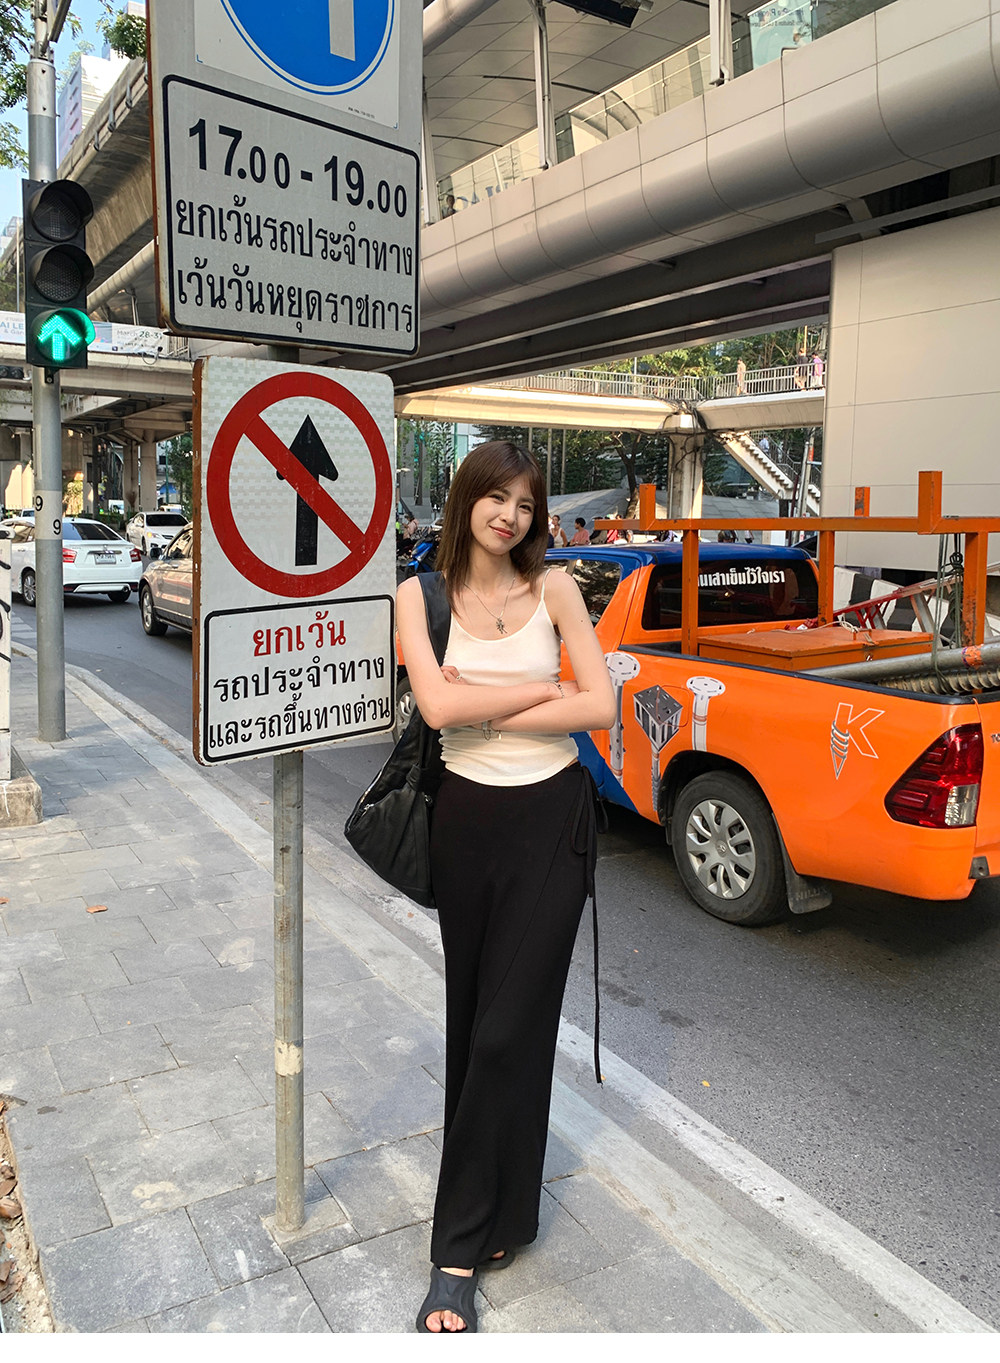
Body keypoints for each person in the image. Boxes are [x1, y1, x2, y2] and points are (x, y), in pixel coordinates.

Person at [396, 442, 615, 1334]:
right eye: (497, 497)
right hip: (468, 826)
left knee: (505, 1029)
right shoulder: (420, 596)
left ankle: (453, 1250)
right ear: (467, 500)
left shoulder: (556, 589)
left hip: (552, 824)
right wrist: (536, 686)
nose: (510, 516)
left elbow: (599, 705)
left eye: (525, 504)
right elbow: (436, 709)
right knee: (477, 1022)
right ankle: (508, 1212)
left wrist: (486, 696)